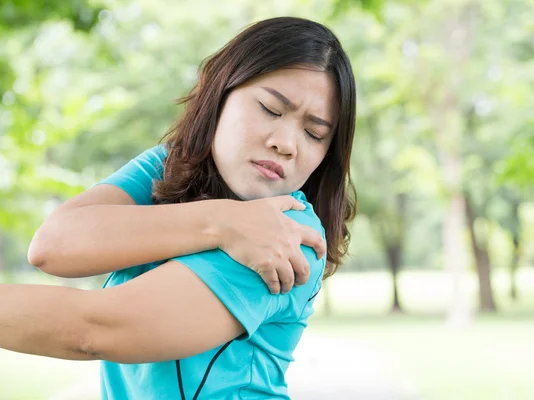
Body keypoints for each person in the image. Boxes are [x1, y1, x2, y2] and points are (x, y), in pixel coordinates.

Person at [1, 16, 356, 399]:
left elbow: (96, 330)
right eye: (271, 109)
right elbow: (52, 247)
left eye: (314, 133)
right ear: (220, 95)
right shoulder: (167, 166)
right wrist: (221, 222)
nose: (286, 143)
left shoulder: (287, 235)